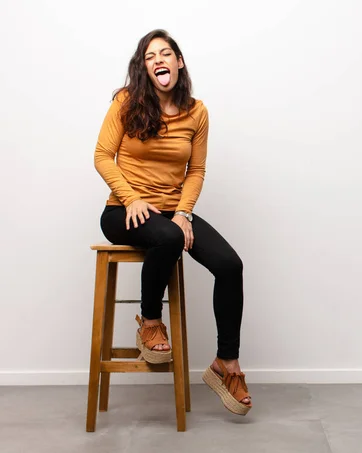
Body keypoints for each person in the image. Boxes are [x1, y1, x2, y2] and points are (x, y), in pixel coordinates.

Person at [94, 29, 251, 415]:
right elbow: (101, 155)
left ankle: (225, 364)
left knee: (231, 266)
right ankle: (150, 321)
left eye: (167, 53)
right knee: (165, 238)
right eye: (151, 56)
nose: (159, 60)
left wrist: (183, 212)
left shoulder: (197, 111)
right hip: (123, 212)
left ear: (179, 63)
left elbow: (195, 170)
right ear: (144, 68)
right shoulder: (126, 102)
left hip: (172, 211)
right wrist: (131, 198)